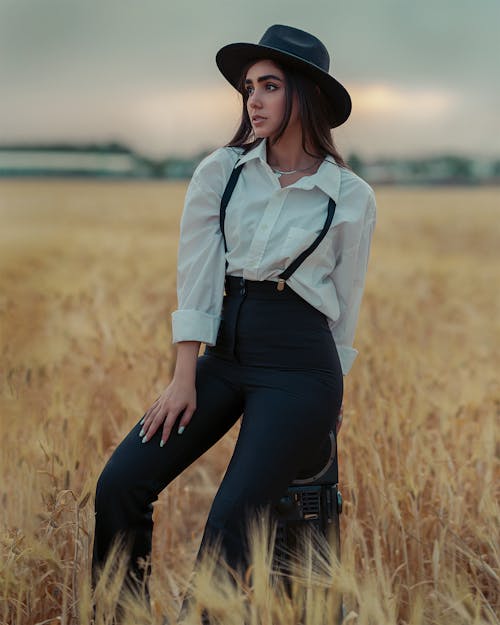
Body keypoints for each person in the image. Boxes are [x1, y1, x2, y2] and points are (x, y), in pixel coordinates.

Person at [91, 23, 376, 621]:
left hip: (301, 368)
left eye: (270, 86)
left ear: (307, 95)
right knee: (120, 484)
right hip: (222, 354)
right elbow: (196, 274)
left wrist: (332, 404)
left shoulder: (349, 196)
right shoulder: (220, 173)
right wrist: (182, 375)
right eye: (249, 87)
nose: (254, 100)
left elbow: (345, 307)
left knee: (228, 524)